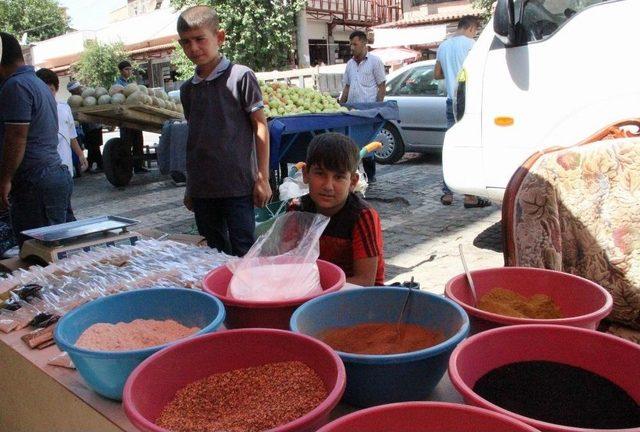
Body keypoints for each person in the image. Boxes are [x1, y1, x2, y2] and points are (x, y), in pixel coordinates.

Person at [177, 5, 271, 256]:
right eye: (186, 42)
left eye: (200, 39)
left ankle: (246, 295)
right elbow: (194, 140)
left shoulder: (240, 77)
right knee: (212, 253)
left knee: (243, 249)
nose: (193, 48)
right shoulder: (188, 90)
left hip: (238, 187)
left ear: (219, 37)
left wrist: (262, 177)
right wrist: (191, 187)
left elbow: (260, 126)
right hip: (203, 191)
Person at [0, 32, 73, 247]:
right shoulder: (36, 83)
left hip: (35, 184)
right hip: (49, 178)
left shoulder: (15, 87)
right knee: (54, 253)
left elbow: (16, 138)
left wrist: (4, 180)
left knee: (40, 256)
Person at [288, 133, 385, 286]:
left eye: (339, 177)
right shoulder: (296, 210)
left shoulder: (362, 217)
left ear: (353, 181)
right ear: (306, 174)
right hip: (307, 292)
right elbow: (287, 265)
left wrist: (315, 293)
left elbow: (365, 281)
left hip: (356, 298)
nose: (328, 186)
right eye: (320, 174)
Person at [435, 15, 491, 209]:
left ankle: (447, 193)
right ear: (470, 28)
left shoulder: (443, 46)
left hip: (451, 100)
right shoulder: (472, 44)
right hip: (470, 102)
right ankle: (470, 196)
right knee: (471, 147)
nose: (475, 33)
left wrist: (451, 71)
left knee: (451, 146)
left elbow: (437, 74)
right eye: (475, 30)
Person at [36, 68, 88, 221]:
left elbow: (72, 135)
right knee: (59, 213)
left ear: (56, 89)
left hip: (65, 169)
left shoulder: (64, 108)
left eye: (50, 90)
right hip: (47, 172)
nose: (47, 94)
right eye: (43, 89)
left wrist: (80, 155)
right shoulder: (35, 111)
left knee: (66, 206)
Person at [339, 30, 386, 184]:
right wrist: (340, 105)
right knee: (352, 144)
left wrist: (377, 107)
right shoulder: (349, 64)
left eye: (355, 44)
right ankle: (355, 178)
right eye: (350, 44)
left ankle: (371, 178)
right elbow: (346, 86)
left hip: (368, 111)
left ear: (364, 44)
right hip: (352, 112)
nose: (352, 47)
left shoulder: (375, 61)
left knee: (367, 145)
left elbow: (381, 86)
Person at [116, 60, 148, 174]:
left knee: (138, 142)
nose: (129, 71)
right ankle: (127, 168)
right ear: (120, 71)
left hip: (135, 118)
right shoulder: (117, 85)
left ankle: (138, 167)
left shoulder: (131, 83)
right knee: (126, 145)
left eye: (130, 69)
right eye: (126, 69)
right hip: (126, 119)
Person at [68, 80, 103, 174]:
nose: (74, 93)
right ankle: (92, 165)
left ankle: (96, 165)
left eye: (75, 90)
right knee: (92, 146)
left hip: (95, 125)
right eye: (72, 92)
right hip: (87, 127)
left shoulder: (87, 95)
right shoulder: (74, 99)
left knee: (94, 146)